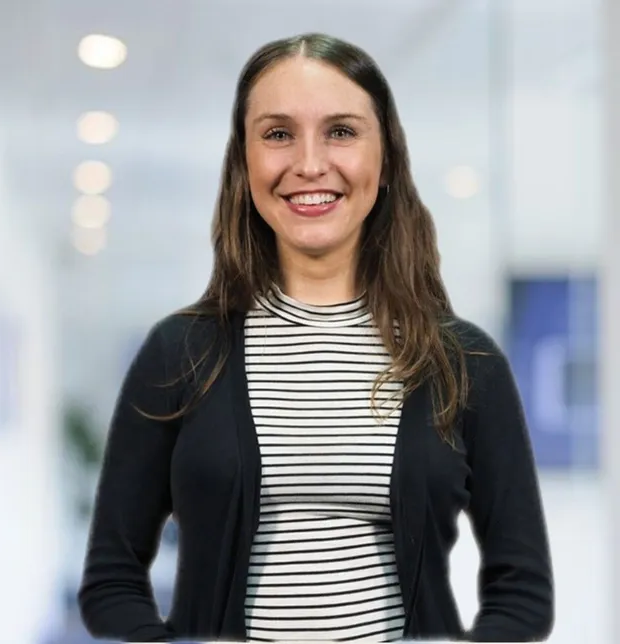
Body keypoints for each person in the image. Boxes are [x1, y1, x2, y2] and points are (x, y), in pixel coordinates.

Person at [78, 32, 554, 643]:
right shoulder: (178, 353)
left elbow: (523, 594)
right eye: (277, 133)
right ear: (244, 162)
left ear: (384, 162)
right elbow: (111, 581)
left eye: (341, 131)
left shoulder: (465, 361)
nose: (308, 163)